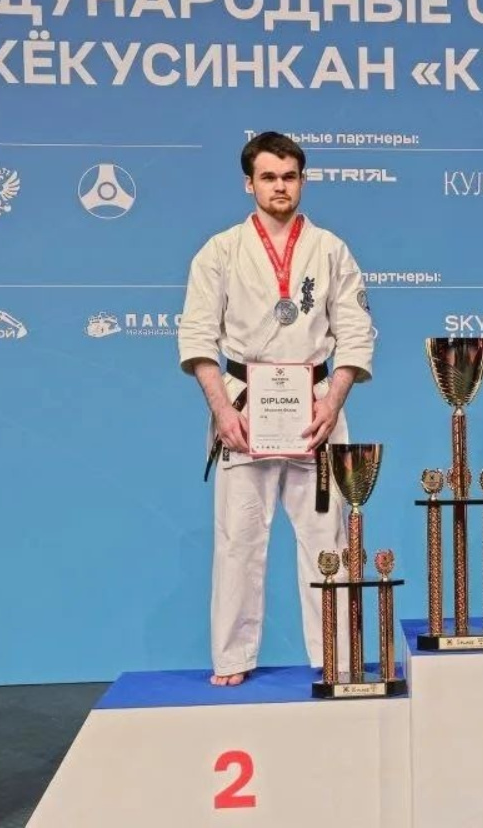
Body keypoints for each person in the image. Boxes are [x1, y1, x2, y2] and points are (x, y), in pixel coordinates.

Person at [179, 131, 375, 686]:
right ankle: (233, 658)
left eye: (289, 176)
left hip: (315, 406)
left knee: (328, 539)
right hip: (245, 407)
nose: (280, 186)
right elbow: (197, 338)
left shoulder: (330, 249)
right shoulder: (220, 251)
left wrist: (333, 402)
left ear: (303, 181)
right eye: (269, 177)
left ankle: (336, 656)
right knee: (238, 542)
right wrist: (223, 411)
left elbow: (356, 334)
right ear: (250, 184)